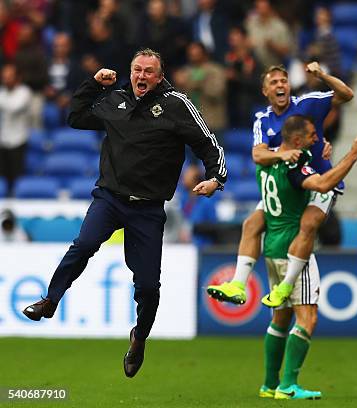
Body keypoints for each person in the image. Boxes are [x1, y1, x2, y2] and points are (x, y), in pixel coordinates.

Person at [21, 48, 227, 378]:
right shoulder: (114, 100)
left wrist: (216, 177)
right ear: (129, 72)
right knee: (84, 244)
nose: (141, 76)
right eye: (136, 70)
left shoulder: (176, 104)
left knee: (147, 285)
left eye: (148, 71)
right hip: (110, 198)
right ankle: (50, 299)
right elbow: (76, 117)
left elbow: (208, 142)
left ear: (160, 76)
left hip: (147, 209)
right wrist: (92, 84)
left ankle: (139, 337)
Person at [207, 62, 353, 306]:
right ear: (265, 92)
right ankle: (238, 285)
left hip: (316, 181)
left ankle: (286, 286)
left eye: (283, 81)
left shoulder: (307, 104)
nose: (280, 85)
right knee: (251, 223)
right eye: (273, 82)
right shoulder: (262, 121)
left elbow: (346, 95)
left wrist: (321, 75)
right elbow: (258, 155)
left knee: (309, 223)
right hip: (286, 188)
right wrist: (282, 155)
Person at [256, 115, 357, 400]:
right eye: (311, 136)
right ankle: (288, 385)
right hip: (295, 249)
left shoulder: (269, 160)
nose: (316, 139)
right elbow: (321, 184)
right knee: (307, 318)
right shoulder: (293, 163)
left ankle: (269, 384)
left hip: (272, 246)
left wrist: (320, 158)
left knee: (280, 319)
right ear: (296, 140)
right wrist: (352, 155)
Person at [0, 63, 33, 195]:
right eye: (4, 77)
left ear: (18, 77)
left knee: (17, 178)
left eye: (10, 76)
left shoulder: (25, 92)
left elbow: (15, 107)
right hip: (3, 139)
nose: (6, 79)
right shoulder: (2, 92)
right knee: (3, 177)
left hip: (19, 139)